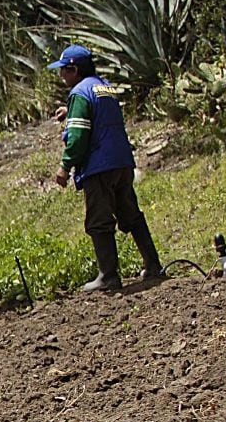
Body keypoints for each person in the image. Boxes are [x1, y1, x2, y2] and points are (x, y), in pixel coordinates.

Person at [49, 44, 164, 291]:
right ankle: (153, 264)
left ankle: (108, 275)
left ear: (74, 69)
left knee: (99, 221)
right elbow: (100, 114)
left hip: (99, 166)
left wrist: (65, 166)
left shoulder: (79, 93)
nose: (61, 76)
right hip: (121, 162)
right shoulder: (105, 87)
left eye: (64, 71)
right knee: (130, 213)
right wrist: (70, 111)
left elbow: (79, 135)